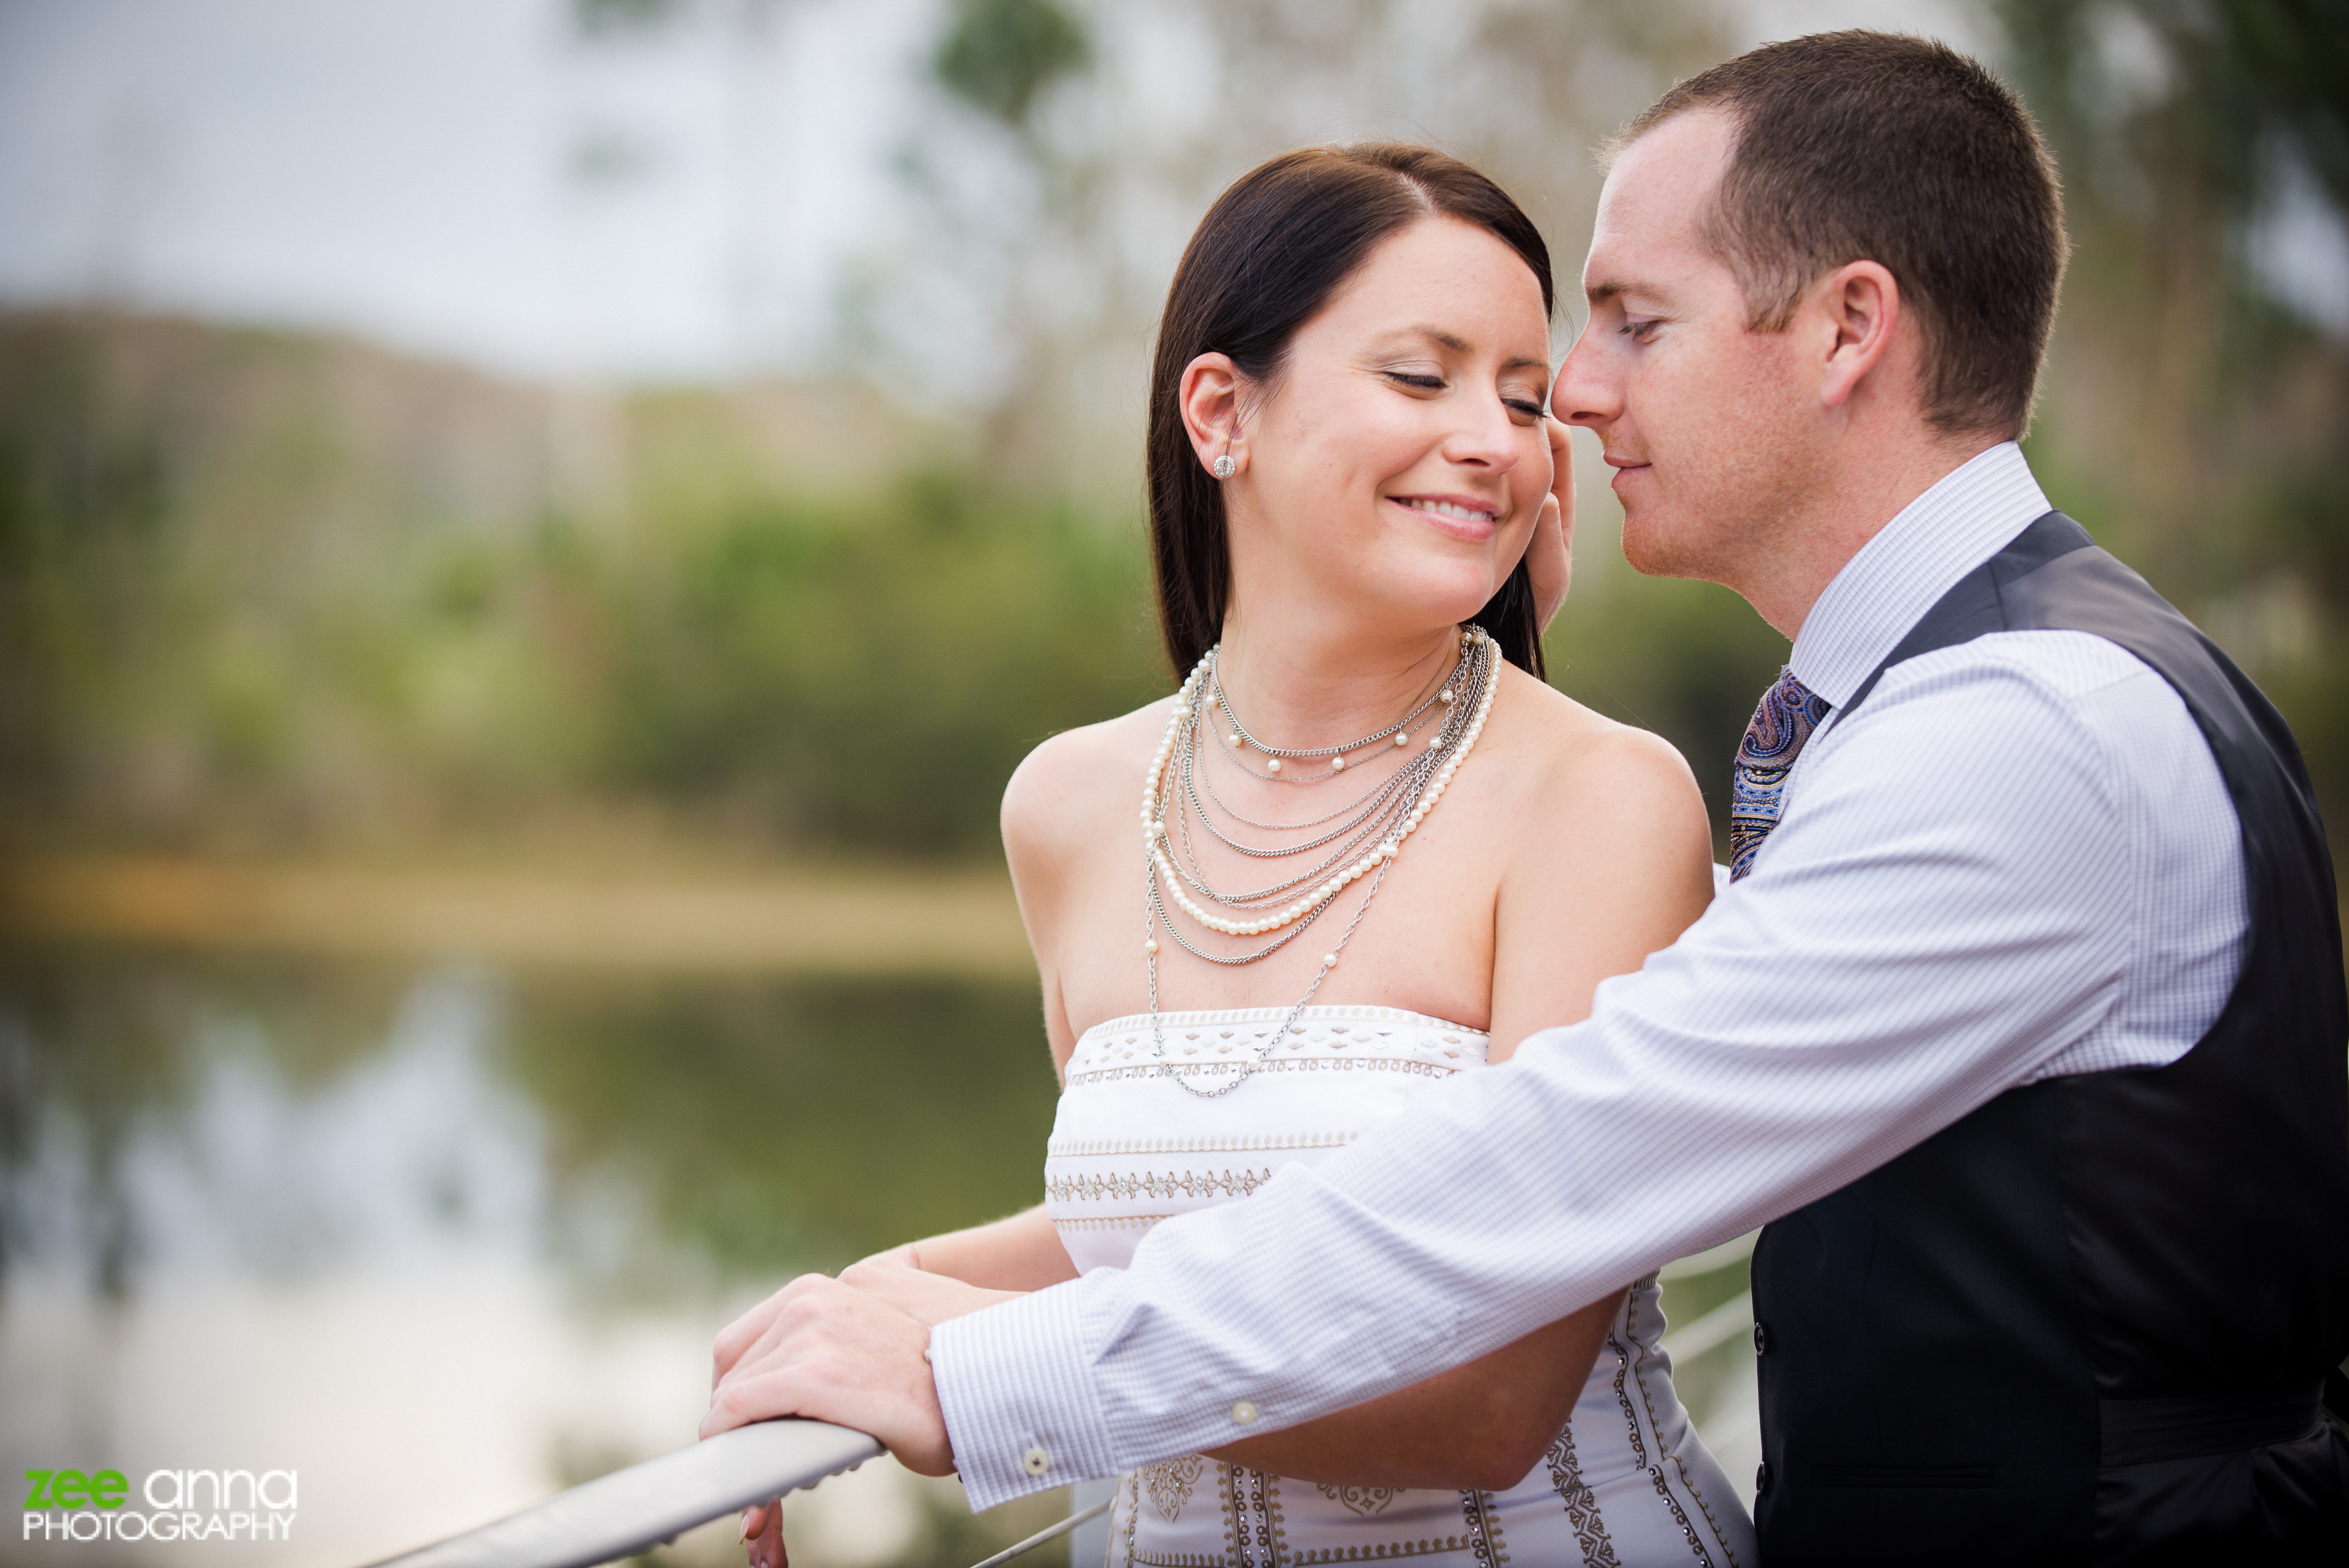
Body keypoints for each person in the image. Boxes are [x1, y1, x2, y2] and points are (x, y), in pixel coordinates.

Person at [705, 32, 2349, 1566]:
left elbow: (1558, 1162)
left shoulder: (2018, 729)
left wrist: (978, 1379)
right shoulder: (1957, 697)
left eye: (1634, 319)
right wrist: (879, 1299)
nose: (1568, 396)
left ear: (1850, 330)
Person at [720, 141, 1755, 1567]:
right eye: (1421, 376)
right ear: (1221, 412)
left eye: (1522, 398)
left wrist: (972, 1367)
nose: (1496, 439)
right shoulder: (1070, 802)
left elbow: (1493, 1396)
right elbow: (1151, 1211)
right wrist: (853, 1310)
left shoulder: (1601, 800)